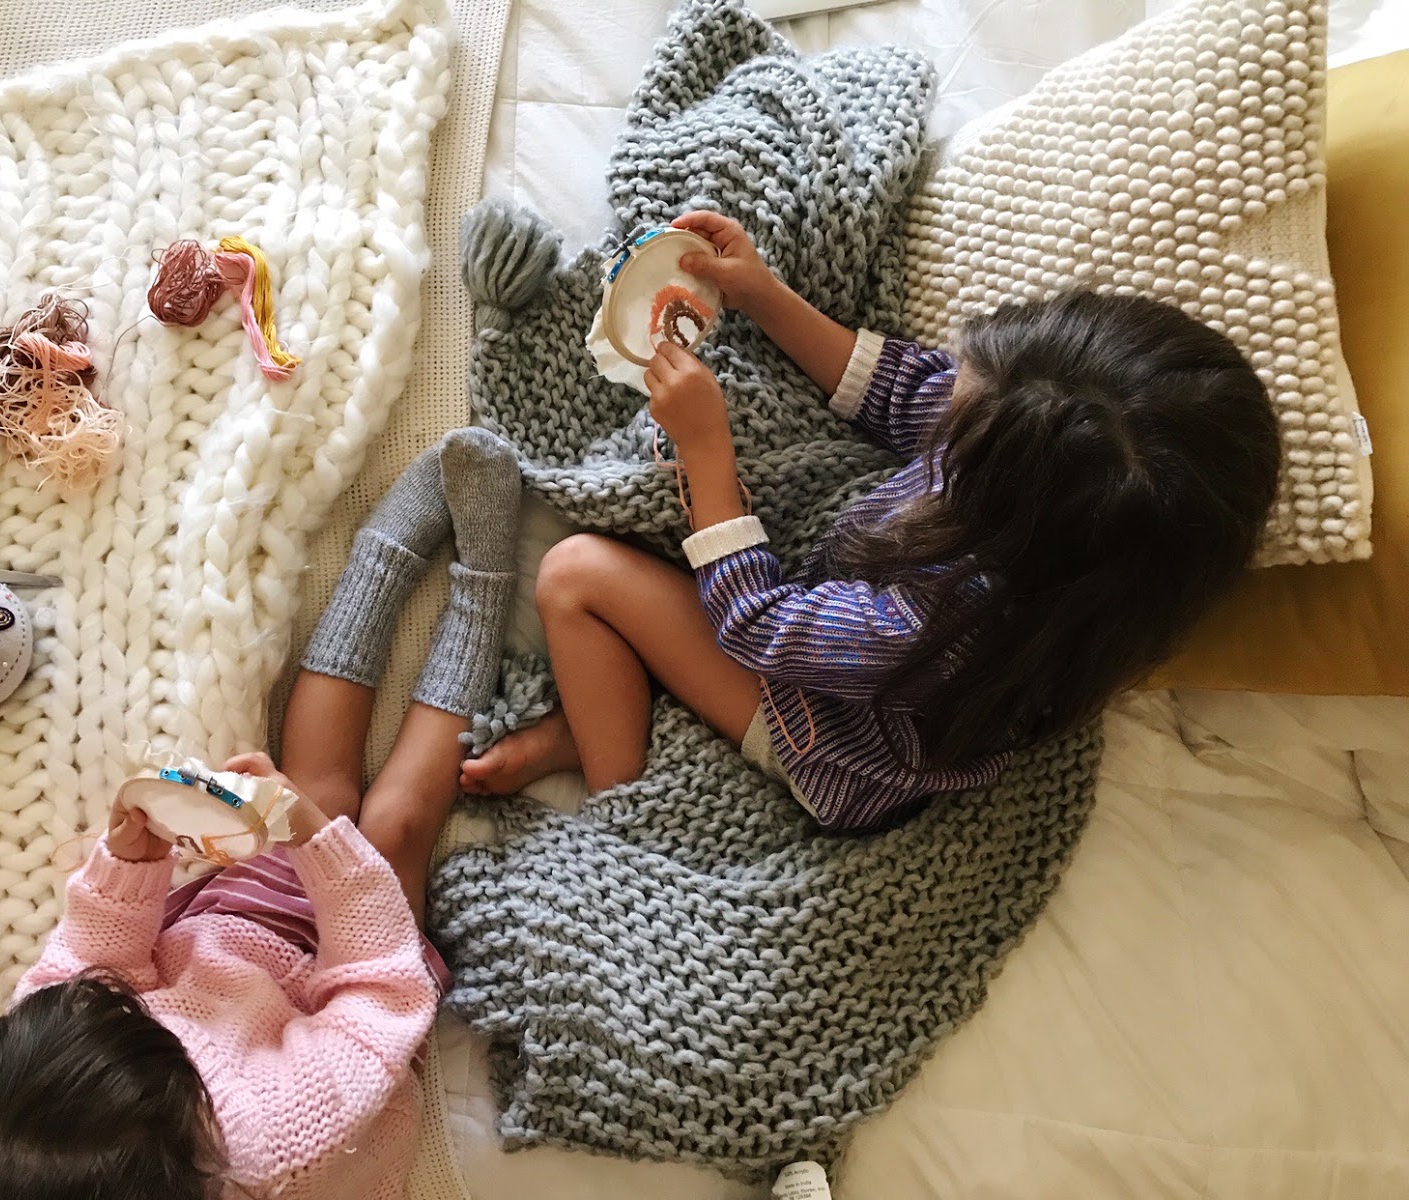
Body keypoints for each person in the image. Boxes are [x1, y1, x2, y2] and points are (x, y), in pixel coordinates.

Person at [461, 211, 1281, 831]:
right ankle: (614, 710)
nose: (946, 398)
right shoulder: (1048, 487)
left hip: (819, 741)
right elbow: (899, 390)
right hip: (843, 665)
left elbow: (759, 624)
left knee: (575, 575)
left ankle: (621, 797)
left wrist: (707, 454)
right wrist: (765, 296)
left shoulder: (943, 627)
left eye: (960, 416)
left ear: (999, 508)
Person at [0, 429, 524, 1200]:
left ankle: (379, 563)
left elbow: (85, 966)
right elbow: (380, 995)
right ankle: (483, 589)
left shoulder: (38, 1082)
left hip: (230, 949)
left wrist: (128, 868)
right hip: (352, 1022)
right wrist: (318, 844)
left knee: (313, 780)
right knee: (394, 824)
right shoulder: (278, 1143)